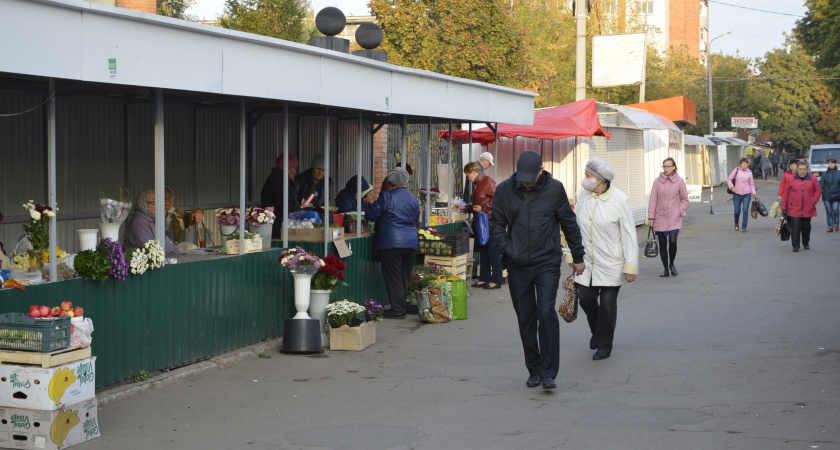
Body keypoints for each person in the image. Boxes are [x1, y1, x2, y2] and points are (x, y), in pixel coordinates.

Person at [489, 150, 585, 390]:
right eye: (523, 176)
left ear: (541, 171)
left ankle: (550, 372)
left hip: (547, 262)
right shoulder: (504, 189)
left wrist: (578, 255)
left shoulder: (554, 189)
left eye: (531, 176)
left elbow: (568, 222)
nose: (526, 181)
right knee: (526, 317)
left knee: (546, 312)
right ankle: (534, 369)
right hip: (517, 263)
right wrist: (506, 249)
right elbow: (496, 224)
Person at [575, 158, 638, 361]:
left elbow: (629, 234)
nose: (584, 180)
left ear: (599, 179)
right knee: (584, 297)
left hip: (611, 261)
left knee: (608, 304)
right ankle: (598, 331)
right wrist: (572, 254)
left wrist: (631, 265)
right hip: (586, 261)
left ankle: (604, 345)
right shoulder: (583, 197)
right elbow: (574, 230)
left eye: (587, 176)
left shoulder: (620, 199)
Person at [365, 168, 420, 320]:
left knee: (394, 277)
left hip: (391, 242)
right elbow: (416, 221)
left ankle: (397, 310)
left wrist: (365, 204)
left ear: (390, 181)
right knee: (403, 276)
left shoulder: (386, 196)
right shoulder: (413, 198)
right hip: (410, 242)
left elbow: (372, 215)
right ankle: (400, 306)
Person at [458, 161, 502, 289]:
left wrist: (483, 208)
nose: (467, 177)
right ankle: (484, 278)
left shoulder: (488, 181)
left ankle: (496, 280)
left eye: (468, 174)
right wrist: (465, 208)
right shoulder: (477, 184)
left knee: (492, 250)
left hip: (490, 221)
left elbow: (497, 200)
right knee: (484, 251)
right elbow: (477, 205)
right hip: (481, 221)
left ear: (473, 172)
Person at [647, 157, 689, 277]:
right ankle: (665, 269)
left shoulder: (679, 181)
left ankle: (672, 264)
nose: (665, 169)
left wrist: (679, 211)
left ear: (674, 167)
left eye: (668, 166)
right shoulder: (657, 181)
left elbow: (685, 200)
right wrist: (651, 217)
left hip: (673, 217)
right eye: (664, 166)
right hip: (659, 217)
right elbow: (653, 200)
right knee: (662, 244)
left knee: (672, 241)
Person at [260, 155, 306, 240]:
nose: (294, 171)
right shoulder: (280, 182)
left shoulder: (278, 178)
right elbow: (285, 205)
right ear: (286, 169)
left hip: (276, 224)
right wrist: (301, 211)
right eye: (292, 168)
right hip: (278, 227)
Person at [782, 161, 821, 252]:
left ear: (807, 169)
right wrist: (783, 207)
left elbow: (818, 190)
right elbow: (786, 193)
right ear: (797, 169)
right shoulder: (791, 178)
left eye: (804, 169)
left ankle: (805, 242)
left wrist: (814, 200)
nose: (802, 171)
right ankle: (795, 245)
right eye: (800, 169)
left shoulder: (812, 178)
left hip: (808, 207)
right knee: (795, 227)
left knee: (806, 227)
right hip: (794, 208)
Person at [124, 189, 177, 253]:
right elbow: (150, 251)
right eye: (153, 202)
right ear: (143, 203)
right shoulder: (138, 223)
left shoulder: (151, 219)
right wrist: (173, 248)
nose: (158, 206)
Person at [727, 158, 757, 232]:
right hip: (737, 193)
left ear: (747, 164)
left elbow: (751, 184)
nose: (744, 165)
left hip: (747, 194)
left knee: (745, 210)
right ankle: (736, 223)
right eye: (743, 163)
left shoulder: (750, 172)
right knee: (737, 211)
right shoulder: (736, 170)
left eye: (746, 163)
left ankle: (744, 227)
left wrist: (753, 192)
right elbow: (729, 179)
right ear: (740, 164)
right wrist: (732, 187)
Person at [819, 158, 840, 232]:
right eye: (829, 163)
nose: (830, 164)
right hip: (826, 195)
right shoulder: (825, 174)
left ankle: (836, 224)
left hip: (836, 195)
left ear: (835, 164)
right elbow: (821, 184)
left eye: (832, 163)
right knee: (829, 211)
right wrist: (818, 192)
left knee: (835, 209)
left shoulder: (839, 173)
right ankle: (830, 226)